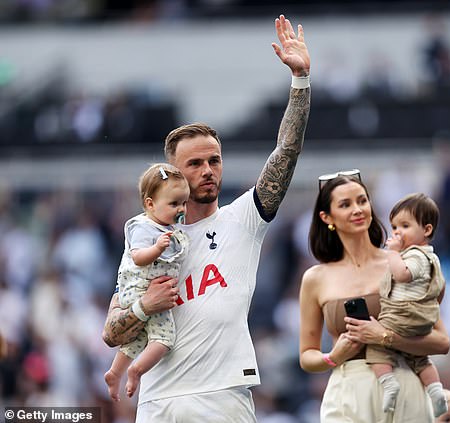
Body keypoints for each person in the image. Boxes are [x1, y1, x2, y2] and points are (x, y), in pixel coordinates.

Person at [101, 14, 311, 422]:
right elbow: (111, 332)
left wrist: (300, 82)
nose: (208, 170)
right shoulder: (146, 235)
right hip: (159, 400)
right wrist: (145, 306)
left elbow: (285, 153)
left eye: (214, 160)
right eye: (194, 163)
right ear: (174, 173)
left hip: (223, 395)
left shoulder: (244, 219)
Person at [298, 170, 450, 422]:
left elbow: (441, 342)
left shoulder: (404, 264)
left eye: (362, 200)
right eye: (345, 204)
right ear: (327, 217)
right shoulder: (316, 278)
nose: (357, 209)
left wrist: (385, 337)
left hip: (404, 383)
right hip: (347, 391)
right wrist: (333, 357)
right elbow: (307, 355)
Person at [104, 163, 190, 401]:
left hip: (144, 294)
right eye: (174, 204)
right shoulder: (144, 227)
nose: (181, 210)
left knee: (139, 339)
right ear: (150, 204)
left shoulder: (167, 227)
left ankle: (115, 372)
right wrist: (157, 248)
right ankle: (137, 370)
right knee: (164, 339)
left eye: (184, 203)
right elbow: (138, 257)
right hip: (143, 291)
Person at [367, 192, 448, 416]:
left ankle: (388, 382)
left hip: (403, 314)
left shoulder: (415, 255)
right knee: (420, 358)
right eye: (394, 227)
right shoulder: (433, 258)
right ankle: (435, 390)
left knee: (375, 348)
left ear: (427, 230)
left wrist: (392, 254)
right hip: (423, 320)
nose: (397, 233)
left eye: (404, 225)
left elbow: (402, 275)